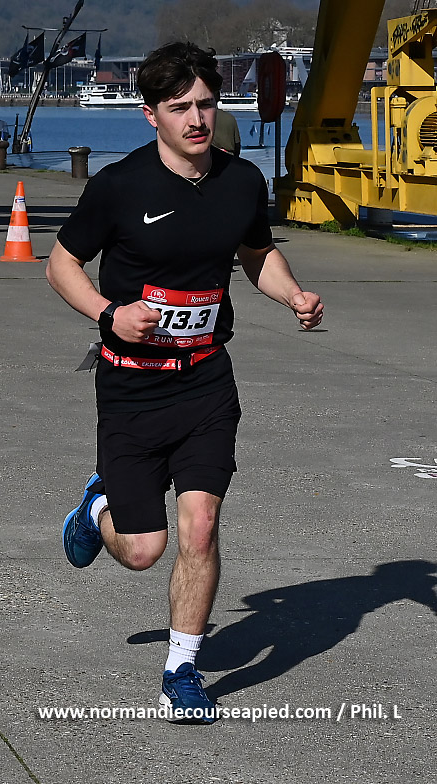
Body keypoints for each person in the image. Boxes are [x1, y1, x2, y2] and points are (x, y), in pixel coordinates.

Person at [46, 41, 323, 724]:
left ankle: (182, 671)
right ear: (151, 115)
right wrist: (110, 314)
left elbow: (256, 252)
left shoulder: (241, 181)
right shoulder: (119, 186)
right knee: (145, 550)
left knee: (200, 526)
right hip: (131, 388)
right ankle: (96, 510)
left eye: (205, 104)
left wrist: (292, 295)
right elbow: (60, 264)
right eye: (180, 108)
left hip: (205, 383)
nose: (197, 119)